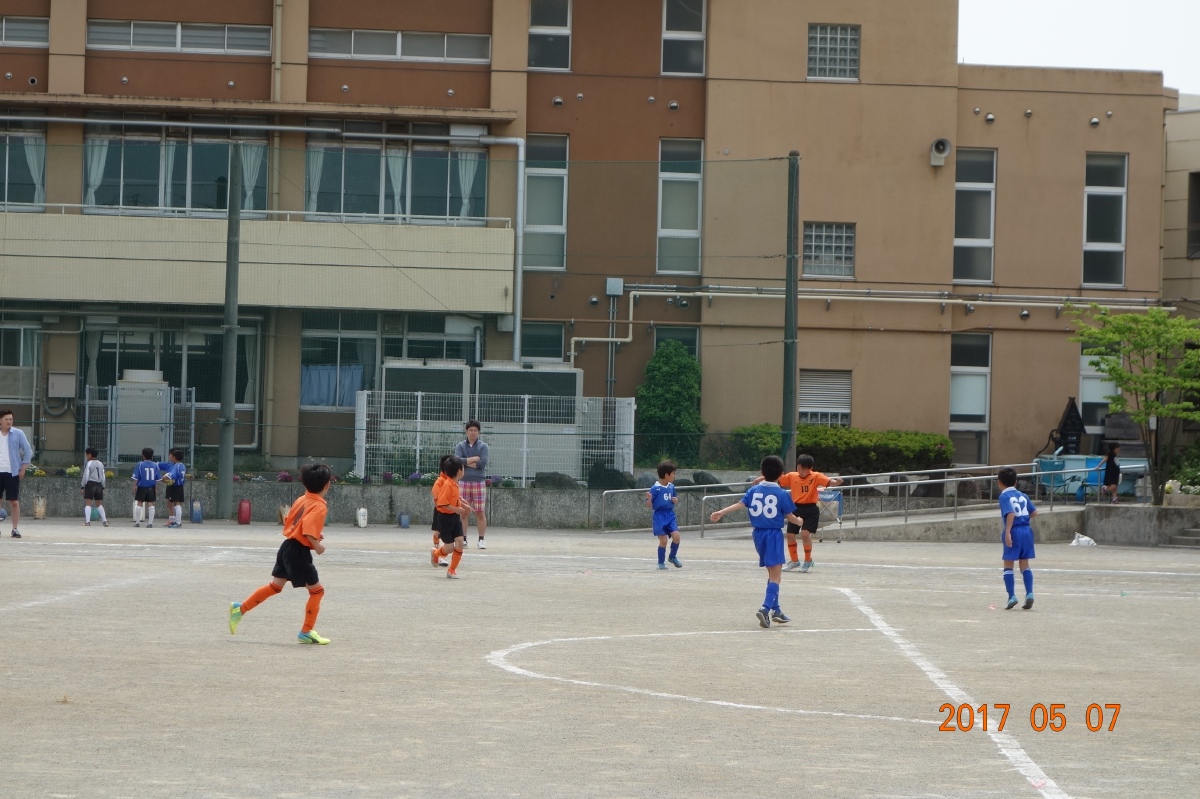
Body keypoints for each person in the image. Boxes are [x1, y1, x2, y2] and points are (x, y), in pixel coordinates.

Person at [228, 463, 333, 645]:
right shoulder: (319, 505)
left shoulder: (302, 499)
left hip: (287, 546)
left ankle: (240, 609)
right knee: (317, 591)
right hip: (298, 552)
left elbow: (292, 520)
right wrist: (317, 545)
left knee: (275, 586)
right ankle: (306, 632)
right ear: (327, 485)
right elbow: (308, 528)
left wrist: (313, 535)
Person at [709, 455, 803, 628]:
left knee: (772, 573)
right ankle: (765, 608)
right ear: (781, 474)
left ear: (762, 472)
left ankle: (776, 610)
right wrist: (799, 521)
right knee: (776, 575)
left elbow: (740, 504)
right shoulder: (782, 493)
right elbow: (790, 516)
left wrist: (721, 512)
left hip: (758, 535)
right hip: (773, 535)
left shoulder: (754, 490)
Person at [997, 466, 1037, 610]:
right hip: (1026, 530)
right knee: (1025, 565)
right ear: (1015, 482)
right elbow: (1034, 512)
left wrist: (1008, 532)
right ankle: (1030, 593)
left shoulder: (1004, 496)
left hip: (1014, 530)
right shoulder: (1023, 495)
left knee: (1008, 565)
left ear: (999, 482)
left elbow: (1011, 514)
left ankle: (1012, 596)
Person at [430, 456, 472, 579]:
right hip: (445, 518)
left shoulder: (455, 483)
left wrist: (463, 505)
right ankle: (436, 553)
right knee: (449, 548)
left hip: (454, 517)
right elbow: (441, 503)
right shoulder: (446, 484)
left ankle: (452, 570)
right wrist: (456, 509)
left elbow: (455, 499)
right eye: (463, 468)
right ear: (458, 471)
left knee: (460, 542)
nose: (464, 470)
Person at [454, 420, 490, 549]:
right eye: (470, 430)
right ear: (466, 431)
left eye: (475, 430)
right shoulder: (460, 446)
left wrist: (466, 462)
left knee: (480, 512)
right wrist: (474, 459)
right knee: (463, 512)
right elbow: (457, 461)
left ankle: (481, 539)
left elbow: (482, 463)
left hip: (479, 482)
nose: (473, 432)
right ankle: (463, 539)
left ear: (478, 432)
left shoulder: (483, 446)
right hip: (463, 481)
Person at [0, 409, 33, 538]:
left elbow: (28, 451)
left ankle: (15, 528)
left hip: (12, 472)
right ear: (0, 420)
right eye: (6, 419)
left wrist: (23, 467)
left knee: (14, 501)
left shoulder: (18, 433)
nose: (9, 422)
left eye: (11, 419)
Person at [646, 460, 682, 569]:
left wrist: (675, 500)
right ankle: (661, 563)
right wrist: (649, 499)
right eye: (673, 473)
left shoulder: (671, 487)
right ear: (666, 475)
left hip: (670, 515)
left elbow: (674, 498)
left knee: (676, 536)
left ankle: (672, 556)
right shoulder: (655, 488)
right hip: (659, 516)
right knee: (663, 540)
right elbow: (648, 505)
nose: (674, 476)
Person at [157, 448, 187, 528]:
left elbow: (172, 476)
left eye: (170, 455)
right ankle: (175, 521)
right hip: (179, 486)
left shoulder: (177, 466)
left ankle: (178, 522)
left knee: (177, 504)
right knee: (175, 503)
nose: (169, 456)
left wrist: (163, 478)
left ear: (174, 457)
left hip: (175, 486)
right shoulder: (182, 465)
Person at [130, 447, 160, 528]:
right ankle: (150, 523)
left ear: (143, 455)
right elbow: (157, 479)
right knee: (150, 503)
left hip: (142, 486)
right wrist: (156, 487)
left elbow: (136, 477)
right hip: (151, 487)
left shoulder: (140, 464)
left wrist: (134, 486)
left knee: (139, 503)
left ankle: (137, 522)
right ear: (152, 456)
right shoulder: (155, 465)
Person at [81, 446, 109, 527]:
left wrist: (82, 486)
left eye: (87, 455)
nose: (86, 456)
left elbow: (86, 475)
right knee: (99, 504)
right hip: (99, 484)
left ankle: (87, 522)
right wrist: (103, 486)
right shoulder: (100, 463)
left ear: (90, 454)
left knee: (88, 503)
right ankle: (105, 521)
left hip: (91, 484)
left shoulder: (89, 463)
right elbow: (103, 476)